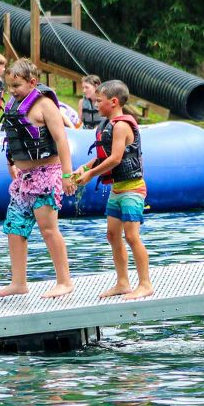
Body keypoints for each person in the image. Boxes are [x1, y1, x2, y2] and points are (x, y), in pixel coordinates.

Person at [0, 59, 77, 299]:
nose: (12, 90)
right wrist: (11, 164)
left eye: (16, 85)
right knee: (15, 228)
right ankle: (19, 282)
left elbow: (62, 141)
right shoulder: (14, 104)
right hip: (24, 179)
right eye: (9, 86)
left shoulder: (45, 105)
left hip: (46, 175)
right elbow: (13, 138)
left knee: (48, 229)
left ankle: (64, 281)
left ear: (32, 82)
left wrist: (67, 175)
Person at [74, 80, 153, 300]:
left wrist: (91, 175)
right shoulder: (107, 126)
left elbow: (116, 158)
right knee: (112, 235)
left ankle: (145, 284)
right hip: (118, 190)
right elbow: (103, 157)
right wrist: (84, 167)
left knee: (131, 236)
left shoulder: (121, 126)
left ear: (114, 101)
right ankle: (122, 283)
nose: (96, 104)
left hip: (132, 189)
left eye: (99, 101)